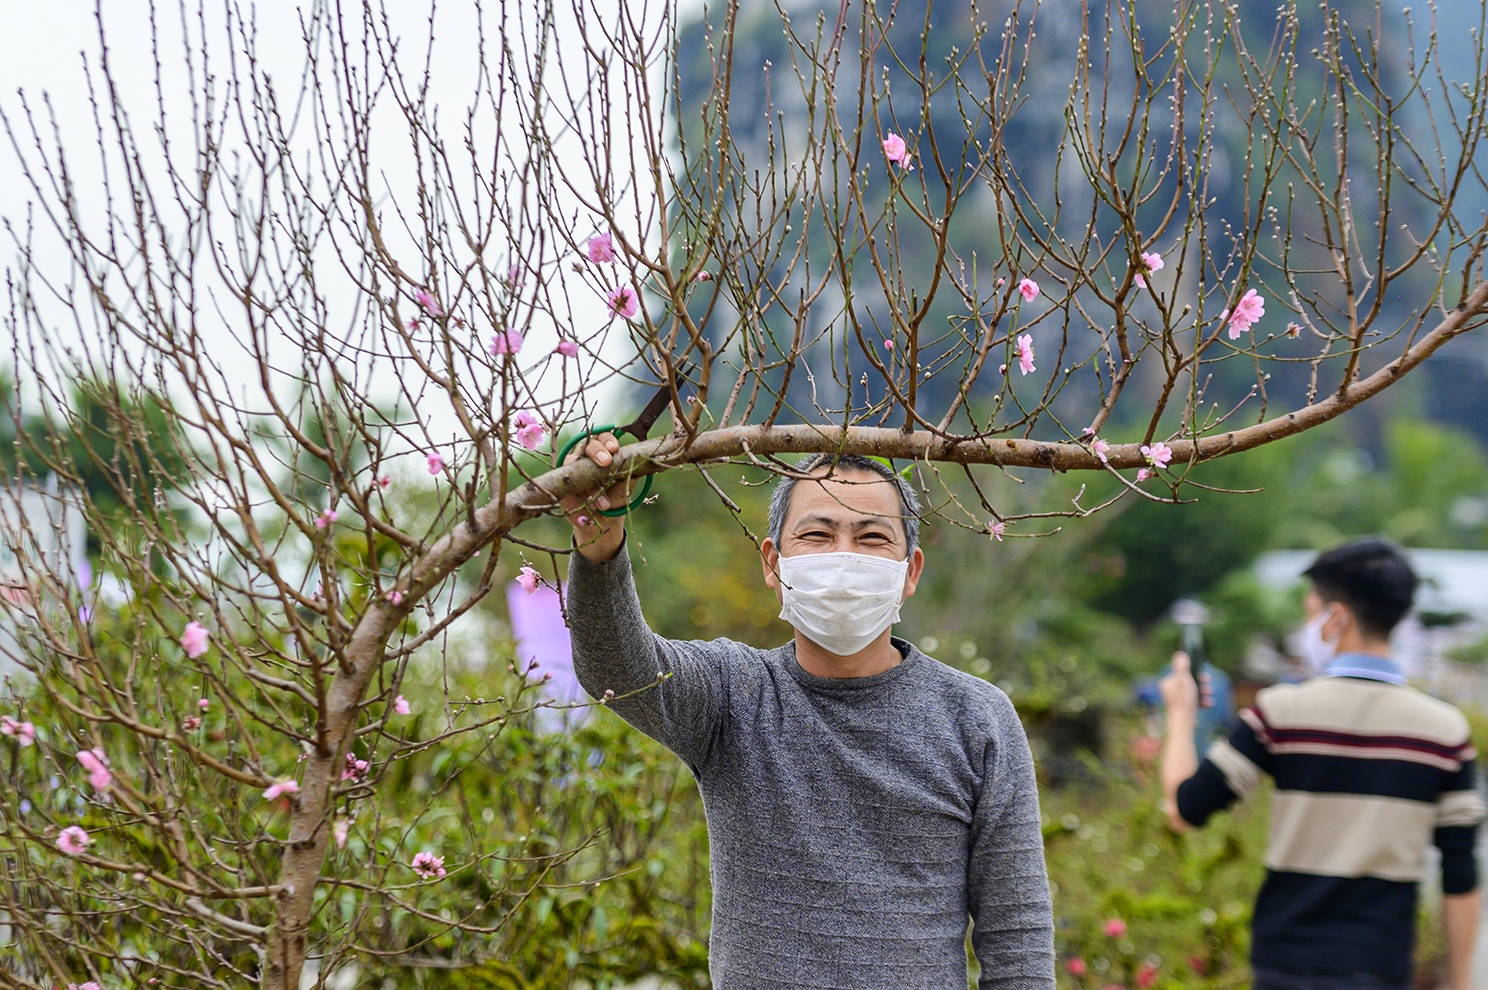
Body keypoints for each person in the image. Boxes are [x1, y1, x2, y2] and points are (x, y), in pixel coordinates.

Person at [560, 437, 1054, 989]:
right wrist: (599, 540)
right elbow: (619, 671)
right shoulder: (733, 694)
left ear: (910, 571)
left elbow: (1017, 937)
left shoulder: (977, 719)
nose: (844, 556)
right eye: (818, 534)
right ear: (773, 562)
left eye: (871, 537)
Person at [1159, 537, 1484, 990]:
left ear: (1336, 619)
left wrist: (1180, 713)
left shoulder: (1280, 713)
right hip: (1379, 964)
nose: (1306, 624)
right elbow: (1461, 872)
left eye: (1311, 611)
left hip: (1284, 963)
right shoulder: (1445, 732)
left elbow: (1184, 809)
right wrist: (1461, 980)